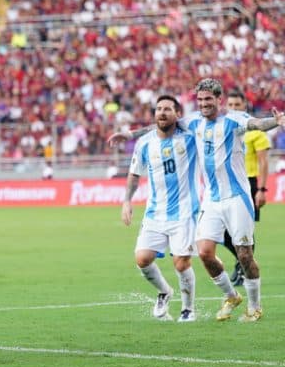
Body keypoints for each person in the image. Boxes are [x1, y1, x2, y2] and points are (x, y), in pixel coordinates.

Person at [109, 78, 284, 322]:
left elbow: (256, 124)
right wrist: (129, 134)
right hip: (211, 200)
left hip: (237, 197)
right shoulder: (192, 122)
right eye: (200, 100)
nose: (203, 104)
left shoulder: (234, 119)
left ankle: (255, 306)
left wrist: (275, 122)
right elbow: (161, 125)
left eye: (208, 100)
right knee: (204, 252)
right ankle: (231, 296)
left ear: (218, 100)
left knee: (244, 255)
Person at [120, 95, 199, 322]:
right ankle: (165, 292)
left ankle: (188, 309)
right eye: (158, 109)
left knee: (181, 262)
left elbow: (203, 121)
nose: (162, 113)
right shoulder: (145, 142)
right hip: (155, 212)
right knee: (142, 259)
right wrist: (127, 200)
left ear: (177, 114)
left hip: (185, 211)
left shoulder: (189, 137)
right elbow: (134, 174)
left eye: (167, 109)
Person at [222, 90, 271, 286]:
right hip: (228, 184)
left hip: (249, 182)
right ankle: (241, 262)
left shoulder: (254, 131)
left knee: (245, 231)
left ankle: (246, 268)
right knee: (225, 233)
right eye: (230, 105)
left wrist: (262, 189)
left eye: (237, 105)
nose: (233, 108)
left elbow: (264, 162)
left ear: (245, 106)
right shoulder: (225, 129)